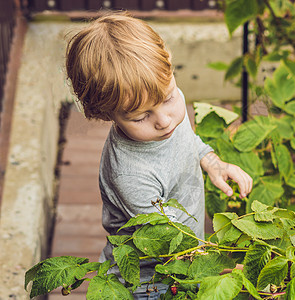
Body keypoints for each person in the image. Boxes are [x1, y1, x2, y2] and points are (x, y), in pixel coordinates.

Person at [65, 12, 253, 299]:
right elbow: (168, 240)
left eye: (168, 98)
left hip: (185, 259)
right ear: (105, 113)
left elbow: (189, 141)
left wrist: (214, 163)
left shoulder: (164, 112)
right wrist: (226, 265)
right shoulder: (129, 173)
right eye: (141, 117)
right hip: (151, 281)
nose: (165, 120)